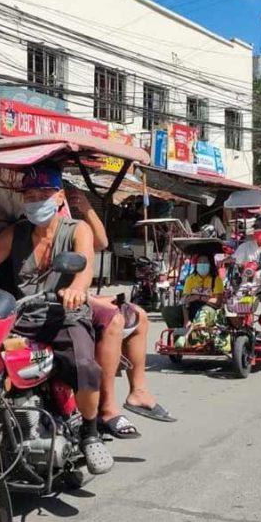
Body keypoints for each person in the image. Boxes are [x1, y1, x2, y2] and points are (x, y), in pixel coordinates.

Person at [0, 165, 114, 474]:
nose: (36, 201)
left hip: (63, 315)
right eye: (29, 195)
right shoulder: (16, 233)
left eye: (43, 194)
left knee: (85, 368)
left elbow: (85, 264)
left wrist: (78, 289)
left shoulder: (77, 229)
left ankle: (90, 434)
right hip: (22, 315)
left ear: (60, 196)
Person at [62, 184, 173, 433]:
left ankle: (138, 391)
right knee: (115, 319)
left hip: (80, 294)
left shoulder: (71, 223)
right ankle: (108, 407)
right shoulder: (38, 226)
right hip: (65, 297)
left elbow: (100, 242)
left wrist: (86, 207)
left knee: (139, 315)